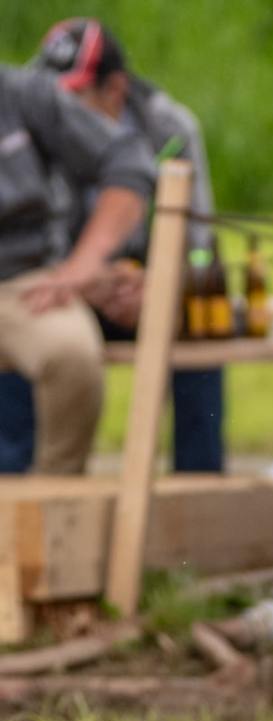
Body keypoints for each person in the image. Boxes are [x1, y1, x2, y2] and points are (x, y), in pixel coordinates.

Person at [0, 19, 227, 475]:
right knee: (39, 327)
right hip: (71, 283)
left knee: (196, 328)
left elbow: (200, 243)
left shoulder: (170, 127)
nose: (65, 105)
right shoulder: (40, 115)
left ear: (114, 89)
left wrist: (161, 289)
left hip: (144, 285)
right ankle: (15, 471)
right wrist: (83, 275)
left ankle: (198, 480)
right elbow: (50, 240)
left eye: (75, 93)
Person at [0, 58, 153, 475]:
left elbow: (128, 161)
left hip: (22, 281)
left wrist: (84, 264)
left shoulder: (22, 93)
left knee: (72, 354)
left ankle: (56, 501)